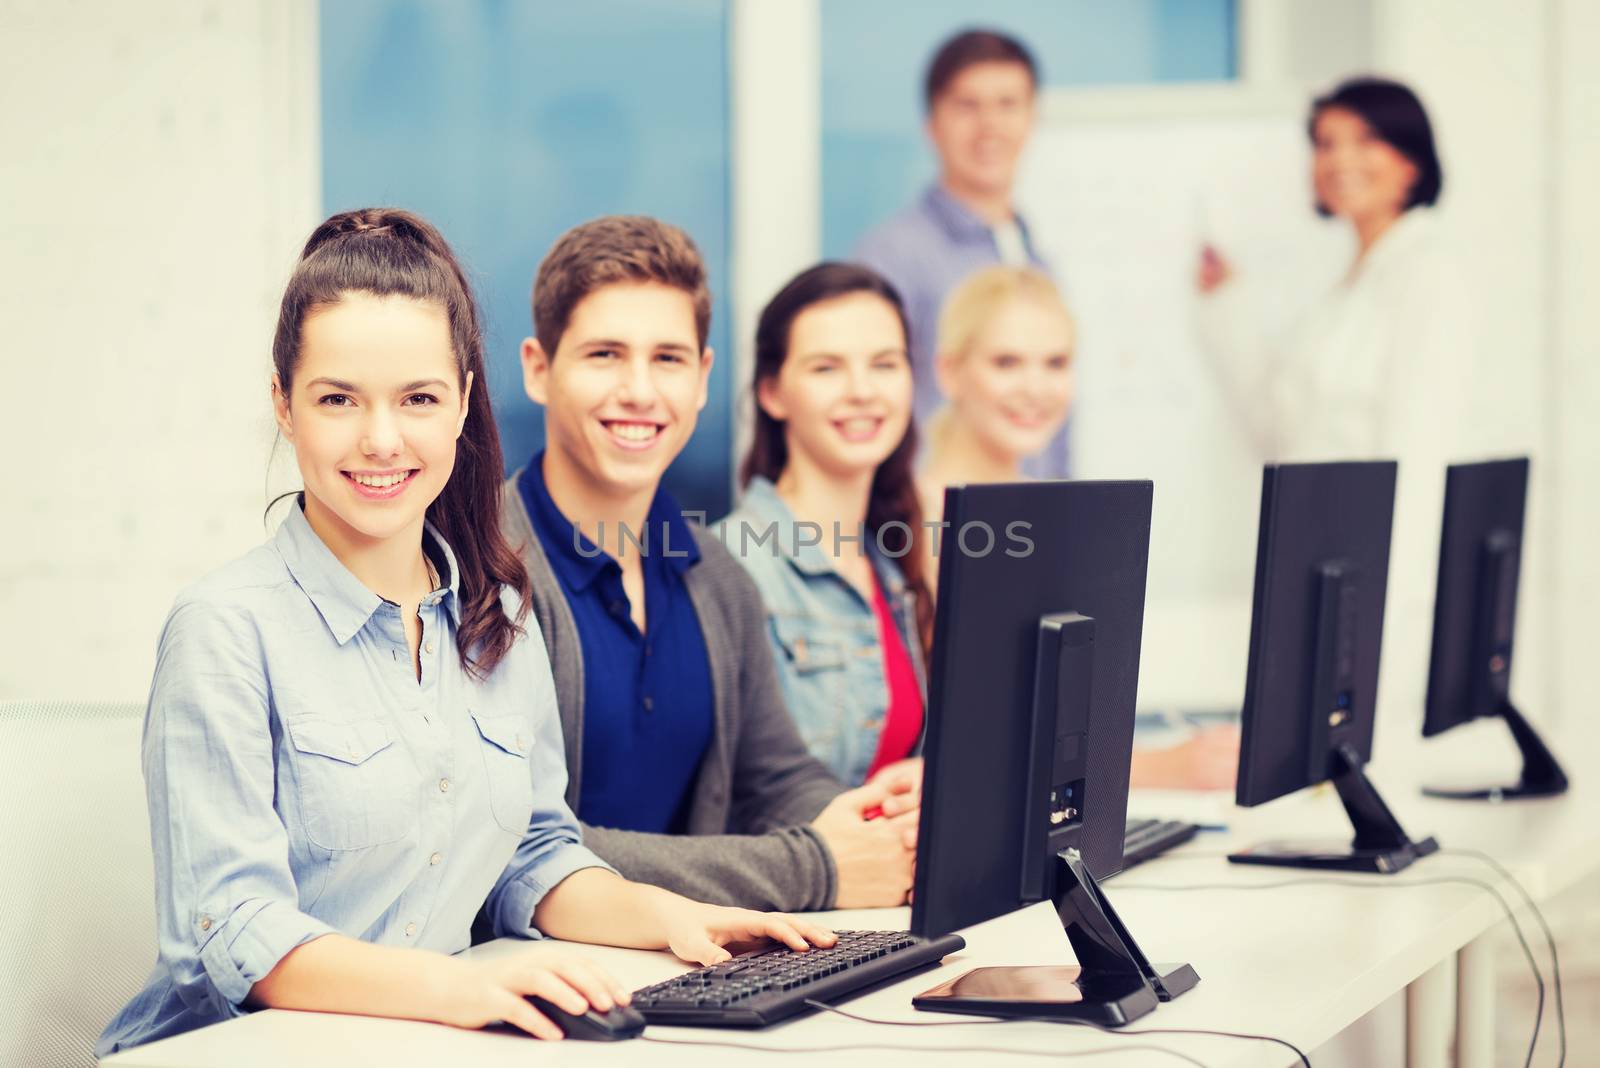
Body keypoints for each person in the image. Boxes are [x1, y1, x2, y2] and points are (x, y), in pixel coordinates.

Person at [97, 210, 836, 1055]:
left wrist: (681, 922)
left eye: (418, 398)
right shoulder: (225, 630)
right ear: (283, 405)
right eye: (338, 399)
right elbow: (235, 931)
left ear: (462, 407)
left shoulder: (501, 615)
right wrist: (464, 986)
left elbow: (535, 853)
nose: (381, 439)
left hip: (433, 1042)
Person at [500, 216, 919, 914]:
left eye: (667, 358)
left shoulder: (718, 576)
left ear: (702, 378)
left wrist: (878, 827)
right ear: (539, 370)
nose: (639, 391)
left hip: (689, 971)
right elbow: (519, 846)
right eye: (605, 354)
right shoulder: (483, 571)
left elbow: (775, 780)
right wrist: (810, 868)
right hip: (533, 975)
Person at [1193, 76, 1473, 732]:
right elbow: (1281, 434)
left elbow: (1418, 461)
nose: (1338, 158)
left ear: (1411, 160)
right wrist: (1226, 306)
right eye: (1324, 143)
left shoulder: (1429, 276)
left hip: (1375, 600)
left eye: (1364, 139)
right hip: (1321, 572)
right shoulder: (1347, 288)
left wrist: (1380, 633)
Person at [921, 265, 1238, 792]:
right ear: (950, 372)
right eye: (1006, 363)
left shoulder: (1054, 515)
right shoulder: (917, 518)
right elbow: (977, 739)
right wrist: (1166, 769)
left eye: (1056, 363)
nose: (1035, 388)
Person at [721, 263, 932, 787]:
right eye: (827, 368)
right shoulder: (731, 565)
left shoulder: (888, 565)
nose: (862, 391)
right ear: (772, 393)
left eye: (885, 364)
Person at [853, 28, 1069, 477]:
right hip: (936, 524)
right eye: (967, 106)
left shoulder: (1036, 258)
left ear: (1032, 119)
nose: (989, 125)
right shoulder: (892, 257)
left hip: (1036, 517)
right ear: (932, 125)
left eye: (1008, 104)